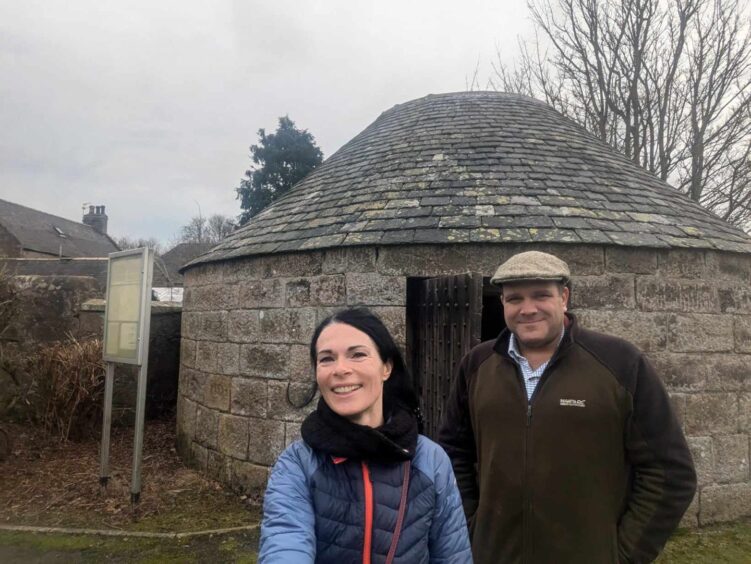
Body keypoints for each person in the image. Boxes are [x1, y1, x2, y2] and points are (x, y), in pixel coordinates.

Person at [438, 250, 696, 564]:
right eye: (515, 298)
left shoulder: (619, 363)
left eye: (541, 295)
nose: (527, 309)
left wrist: (624, 555)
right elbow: (454, 454)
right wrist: (472, 527)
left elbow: (670, 473)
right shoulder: (477, 365)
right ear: (502, 303)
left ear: (564, 297)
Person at [260, 307, 472, 563]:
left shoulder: (431, 460)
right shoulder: (298, 464)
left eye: (357, 354)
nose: (340, 369)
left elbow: (452, 555)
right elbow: (285, 544)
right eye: (326, 358)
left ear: (386, 367)